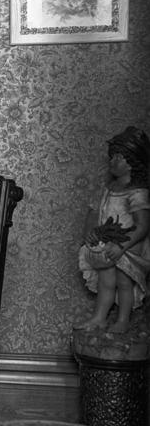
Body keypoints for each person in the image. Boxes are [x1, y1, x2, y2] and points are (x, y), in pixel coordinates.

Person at [77, 126, 150, 333]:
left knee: (124, 282)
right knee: (105, 281)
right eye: (112, 157)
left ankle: (123, 320)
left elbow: (143, 225)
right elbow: (95, 213)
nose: (113, 162)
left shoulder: (137, 192)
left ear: (133, 163)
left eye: (120, 158)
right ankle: (99, 318)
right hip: (106, 244)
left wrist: (122, 246)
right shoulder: (109, 189)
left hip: (127, 247)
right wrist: (90, 232)